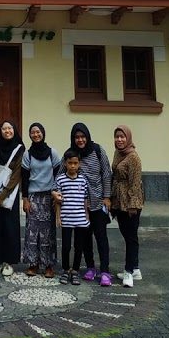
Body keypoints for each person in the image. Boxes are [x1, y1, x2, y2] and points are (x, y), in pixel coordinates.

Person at [68, 122, 113, 286]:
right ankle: (90, 267)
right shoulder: (72, 154)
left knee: (101, 238)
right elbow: (60, 173)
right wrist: (55, 191)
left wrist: (107, 197)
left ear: (87, 136)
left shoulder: (98, 150)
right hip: (81, 206)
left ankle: (105, 271)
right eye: (77, 137)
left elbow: (107, 174)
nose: (80, 140)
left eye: (82, 136)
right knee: (85, 239)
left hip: (98, 202)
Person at [21, 122, 61, 277]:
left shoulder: (53, 153)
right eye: (32, 132)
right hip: (33, 197)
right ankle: (33, 264)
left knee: (48, 232)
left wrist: (56, 195)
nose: (36, 135)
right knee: (32, 232)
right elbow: (24, 178)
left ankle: (48, 265)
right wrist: (25, 199)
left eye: (38, 132)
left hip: (49, 197)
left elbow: (58, 175)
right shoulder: (28, 155)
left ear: (43, 133)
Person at [0, 119, 24, 275]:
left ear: (14, 130)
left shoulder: (19, 147)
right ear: (0, 131)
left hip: (9, 194)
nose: (7, 131)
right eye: (4, 128)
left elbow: (16, 175)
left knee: (10, 227)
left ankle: (9, 262)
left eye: (10, 128)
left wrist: (3, 194)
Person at [110, 124, 144, 288]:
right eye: (117, 136)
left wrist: (133, 205)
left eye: (122, 136)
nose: (119, 139)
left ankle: (129, 272)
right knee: (127, 235)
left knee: (131, 237)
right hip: (118, 200)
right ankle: (135, 268)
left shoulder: (133, 158)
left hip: (130, 203)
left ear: (128, 138)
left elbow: (135, 184)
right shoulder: (118, 153)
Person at [53, 146, 90, 285]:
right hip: (67, 218)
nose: (72, 166)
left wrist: (87, 216)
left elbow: (86, 199)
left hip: (80, 219)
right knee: (66, 246)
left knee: (79, 246)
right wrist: (58, 216)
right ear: (65, 163)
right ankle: (65, 270)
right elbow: (58, 200)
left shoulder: (83, 180)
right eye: (70, 163)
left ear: (79, 164)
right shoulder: (61, 179)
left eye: (75, 163)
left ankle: (75, 271)